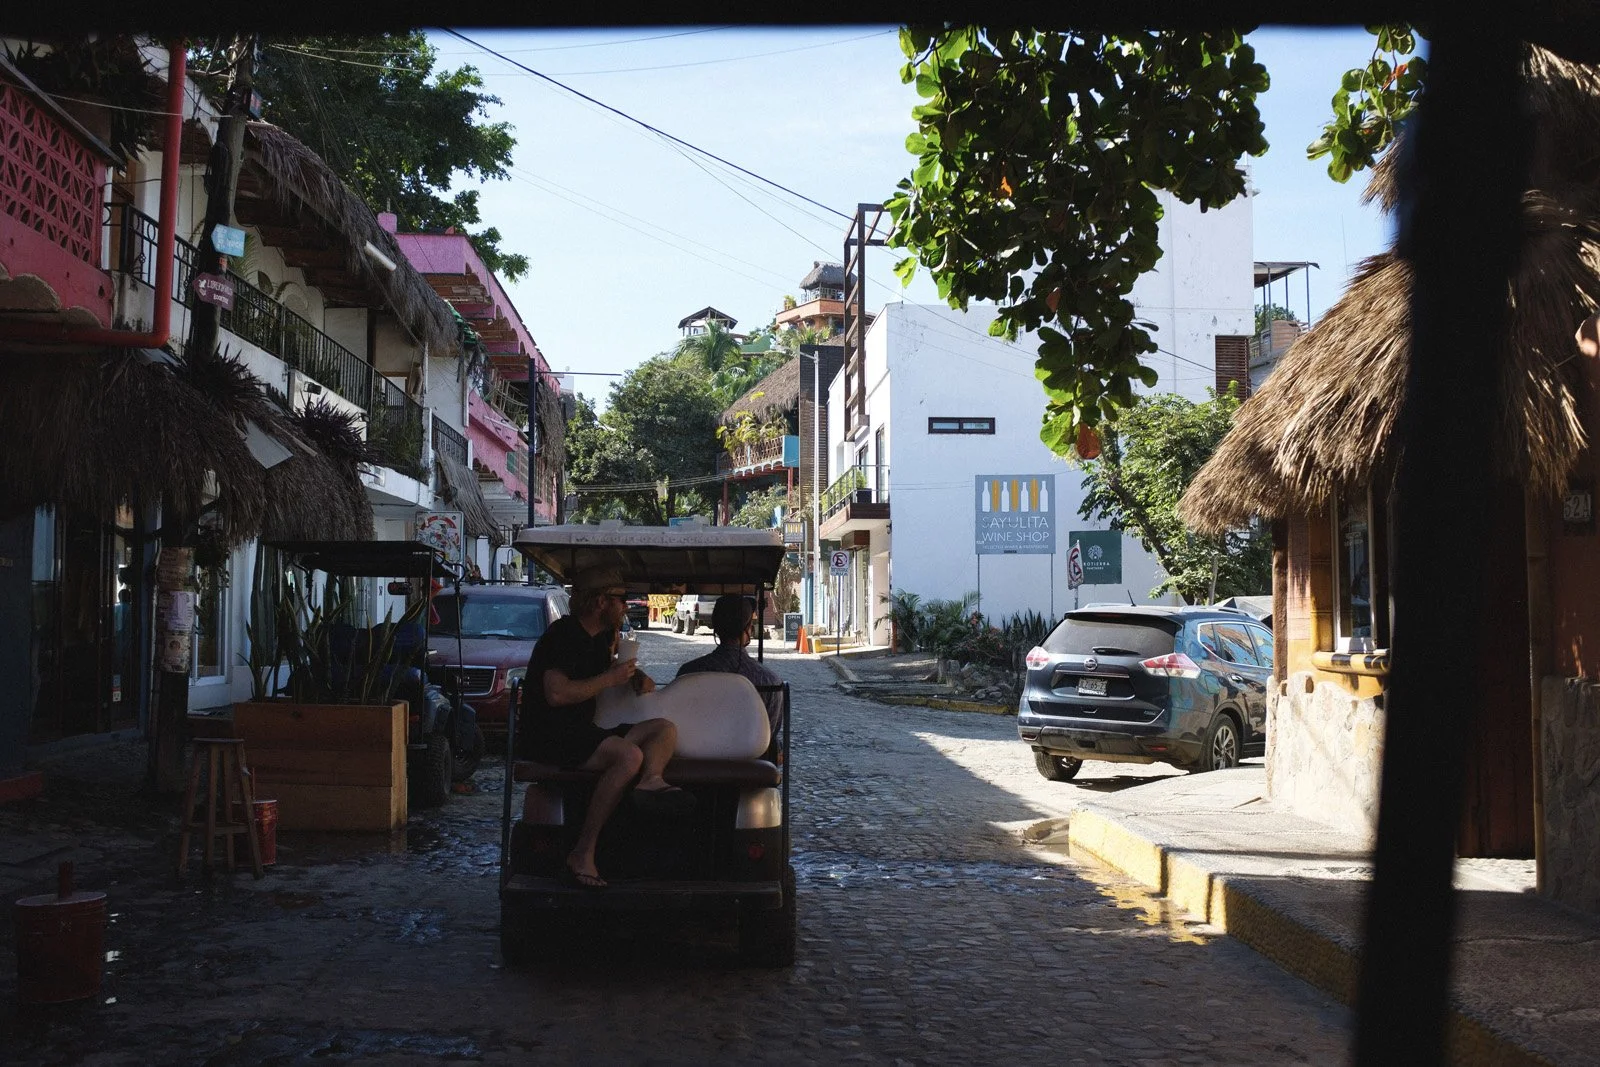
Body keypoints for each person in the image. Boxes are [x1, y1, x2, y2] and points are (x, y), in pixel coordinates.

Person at [520, 565, 691, 889]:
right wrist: (609, 679)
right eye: (621, 599)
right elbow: (556, 693)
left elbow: (606, 673)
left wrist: (634, 677)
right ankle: (583, 852)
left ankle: (650, 784)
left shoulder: (598, 641)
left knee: (663, 730)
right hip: (552, 735)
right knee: (628, 757)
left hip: (582, 732)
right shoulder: (563, 636)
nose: (626, 606)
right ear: (600, 602)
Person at [675, 594, 785, 738]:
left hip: (697, 756)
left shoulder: (688, 673)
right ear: (748, 629)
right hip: (750, 758)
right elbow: (769, 734)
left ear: (716, 628)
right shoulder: (770, 681)